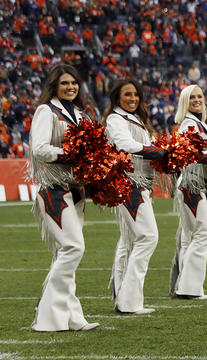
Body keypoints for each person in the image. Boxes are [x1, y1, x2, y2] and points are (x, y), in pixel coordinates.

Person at [28, 64, 100, 331]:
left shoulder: (81, 114)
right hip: (54, 189)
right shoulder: (46, 111)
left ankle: (71, 317)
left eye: (74, 83)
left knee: (65, 253)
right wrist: (70, 154)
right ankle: (47, 316)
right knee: (73, 248)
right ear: (54, 87)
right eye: (64, 83)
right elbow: (39, 149)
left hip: (77, 191)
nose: (71, 87)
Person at [104, 79, 166, 314]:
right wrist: (158, 152)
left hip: (139, 185)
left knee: (128, 242)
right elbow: (125, 144)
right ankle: (129, 301)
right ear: (117, 98)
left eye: (136, 94)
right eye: (127, 94)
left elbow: (147, 149)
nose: (132, 99)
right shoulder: (115, 119)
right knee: (148, 237)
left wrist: (167, 155)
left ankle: (123, 296)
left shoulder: (136, 119)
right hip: (128, 184)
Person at [168, 85, 207, 299]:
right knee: (203, 233)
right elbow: (192, 154)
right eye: (192, 97)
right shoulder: (189, 124)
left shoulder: (198, 124)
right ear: (184, 101)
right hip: (192, 183)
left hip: (194, 183)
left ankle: (182, 285)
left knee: (190, 237)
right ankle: (189, 288)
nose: (197, 100)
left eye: (199, 96)